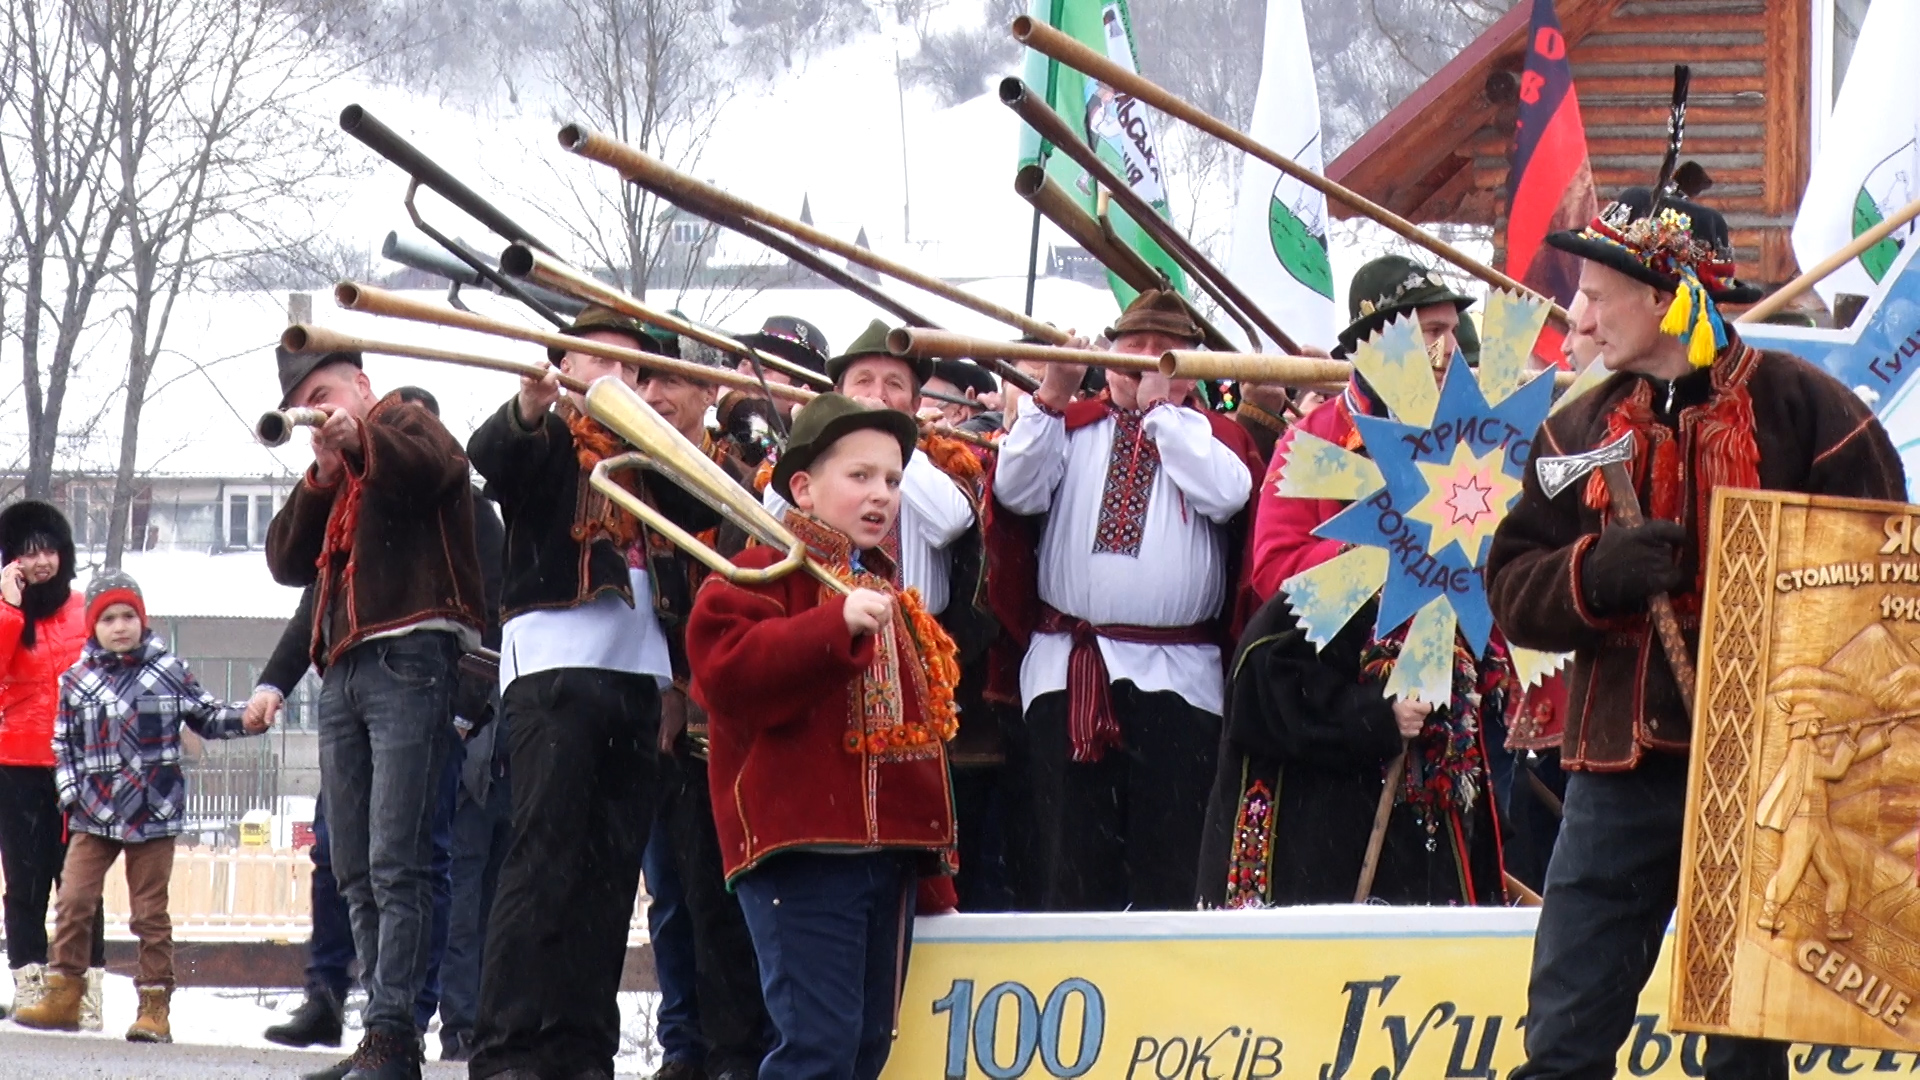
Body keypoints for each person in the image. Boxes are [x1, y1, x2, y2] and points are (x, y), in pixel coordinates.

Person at [1486, 187, 1905, 1080]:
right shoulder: (1576, 429)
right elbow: (1513, 587)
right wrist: (1595, 576)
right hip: (1619, 773)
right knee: (1563, 1039)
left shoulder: (1813, 416)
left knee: (1742, 1057)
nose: (1580, 314)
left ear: (1671, 298)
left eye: (1598, 294)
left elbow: (1885, 591)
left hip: (1769, 782)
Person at [465, 305, 714, 1080]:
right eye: (591, 360)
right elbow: (493, 460)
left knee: (611, 873)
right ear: (563, 369)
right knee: (542, 861)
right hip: (554, 667)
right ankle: (508, 1048)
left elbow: (703, 520)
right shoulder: (549, 441)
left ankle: (581, 1050)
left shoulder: (656, 456)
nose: (609, 376)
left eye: (626, 366)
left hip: (639, 676)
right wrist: (532, 406)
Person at [688, 392, 959, 1080]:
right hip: (803, 851)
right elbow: (727, 679)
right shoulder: (758, 570)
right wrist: (831, 628)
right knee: (819, 1049)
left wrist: (932, 873)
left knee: (866, 1050)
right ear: (802, 489)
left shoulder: (887, 593)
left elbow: (913, 741)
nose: (882, 495)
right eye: (860, 476)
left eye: (893, 480)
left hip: (887, 859)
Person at [988, 290, 1263, 912]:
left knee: (1172, 862)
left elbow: (1227, 494)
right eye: (1130, 347)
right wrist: (1051, 397)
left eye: (1162, 351)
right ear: (1106, 354)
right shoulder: (1067, 424)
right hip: (1069, 669)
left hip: (1180, 678)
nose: (1142, 361)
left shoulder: (1210, 436)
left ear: (1191, 365)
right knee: (1071, 863)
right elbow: (1017, 492)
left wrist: (1162, 413)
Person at [265, 345, 486, 1080]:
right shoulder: (342, 474)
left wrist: (358, 441)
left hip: (411, 659)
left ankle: (393, 1035)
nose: (316, 413)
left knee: (401, 862)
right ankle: (379, 1036)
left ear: (362, 387)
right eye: (305, 405)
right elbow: (287, 564)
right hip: (346, 670)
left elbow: (437, 469)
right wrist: (323, 472)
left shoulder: (408, 422)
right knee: (352, 864)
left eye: (324, 394)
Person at [12, 572, 269, 1039]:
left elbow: (207, 715)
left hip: (154, 811)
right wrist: (71, 794)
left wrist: (247, 719)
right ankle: (65, 991)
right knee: (73, 900)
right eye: (108, 618)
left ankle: (154, 1005)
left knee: (149, 911)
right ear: (92, 626)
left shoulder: (167, 670)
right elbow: (63, 744)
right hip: (95, 812)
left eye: (128, 615)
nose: (120, 626)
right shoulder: (77, 680)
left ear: (142, 619)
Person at [634, 339, 770, 1080]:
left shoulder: (736, 468)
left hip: (717, 704)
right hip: (659, 701)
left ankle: (730, 1050)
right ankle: (685, 1042)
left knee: (722, 889)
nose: (656, 393)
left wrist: (690, 677)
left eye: (674, 381)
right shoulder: (621, 463)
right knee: (673, 894)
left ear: (706, 394)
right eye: (644, 379)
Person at [1248, 255, 1477, 601]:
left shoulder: (1476, 434)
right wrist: (1375, 547)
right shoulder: (1310, 441)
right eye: (1433, 331)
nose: (1452, 349)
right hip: (1343, 650)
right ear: (1380, 338)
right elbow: (1273, 574)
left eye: (1453, 331)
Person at [0, 500, 107, 1025]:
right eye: (27, 552)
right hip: (16, 764)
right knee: (24, 883)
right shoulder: (4, 613)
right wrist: (9, 609)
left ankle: (84, 994)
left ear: (64, 553)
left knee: (81, 886)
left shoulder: (85, 610)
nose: (41, 561)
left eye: (48, 549)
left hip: (81, 767)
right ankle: (30, 989)